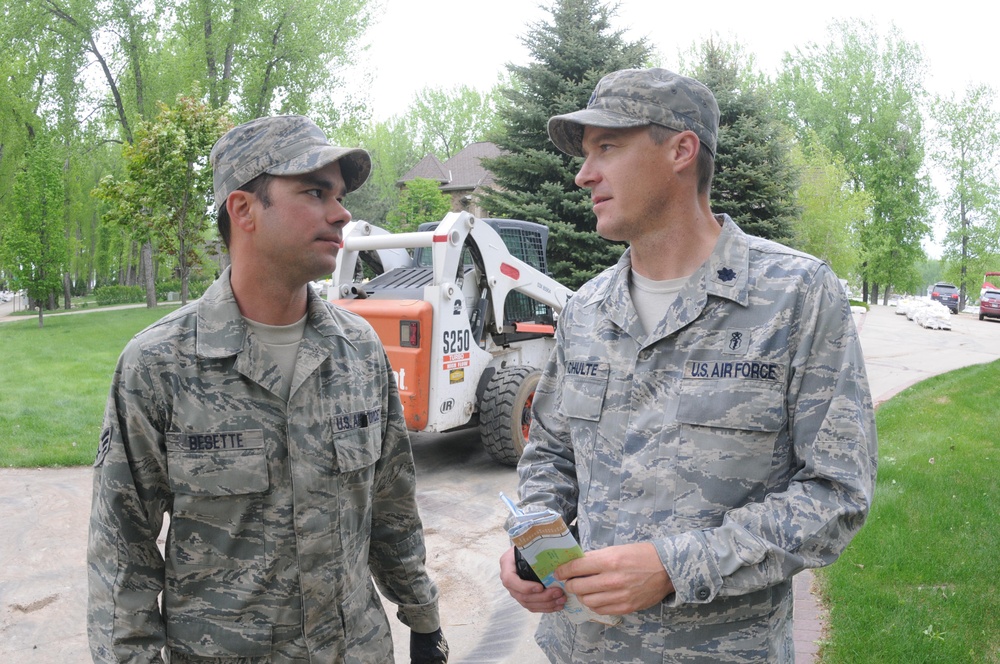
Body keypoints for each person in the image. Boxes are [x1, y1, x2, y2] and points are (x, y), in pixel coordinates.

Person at [499, 68, 877, 663]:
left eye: (607, 147)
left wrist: (676, 567)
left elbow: (836, 494)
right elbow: (551, 453)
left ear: (681, 149)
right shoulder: (586, 309)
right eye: (585, 153)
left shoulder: (796, 294)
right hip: (582, 646)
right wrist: (534, 541)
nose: (583, 174)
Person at [88, 115, 449, 664]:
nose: (342, 212)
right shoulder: (158, 364)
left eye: (340, 195)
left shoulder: (358, 350)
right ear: (243, 210)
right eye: (314, 191)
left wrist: (423, 620)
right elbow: (122, 553)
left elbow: (391, 505)